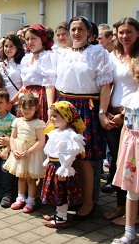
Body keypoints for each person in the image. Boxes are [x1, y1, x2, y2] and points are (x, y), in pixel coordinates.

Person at [54, 16, 113, 220]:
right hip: (65, 106)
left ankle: (88, 202)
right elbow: (56, 83)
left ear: (89, 32)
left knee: (85, 157)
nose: (76, 33)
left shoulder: (98, 52)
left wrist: (101, 112)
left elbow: (105, 84)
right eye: (73, 29)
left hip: (86, 106)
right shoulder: (62, 53)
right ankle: (70, 199)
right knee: (65, 155)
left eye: (80, 29)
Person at [105, 17, 139, 226]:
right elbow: (107, 85)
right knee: (118, 165)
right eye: (121, 32)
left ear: (137, 33)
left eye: (129, 32)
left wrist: (123, 115)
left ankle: (133, 214)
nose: (124, 36)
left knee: (133, 166)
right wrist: (104, 112)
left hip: (132, 118)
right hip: (112, 115)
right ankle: (121, 207)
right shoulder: (113, 56)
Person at [41, 101, 86, 228]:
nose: (52, 119)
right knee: (55, 192)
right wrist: (48, 160)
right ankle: (58, 214)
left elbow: (69, 153)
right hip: (53, 166)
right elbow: (51, 148)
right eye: (51, 116)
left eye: (55, 116)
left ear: (66, 117)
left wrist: (64, 167)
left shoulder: (69, 135)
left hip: (60, 168)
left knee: (61, 193)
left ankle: (61, 218)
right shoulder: (56, 131)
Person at [3, 93, 46, 213]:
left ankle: (31, 200)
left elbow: (41, 140)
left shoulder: (38, 123)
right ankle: (20, 197)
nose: (27, 111)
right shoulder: (17, 121)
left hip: (31, 154)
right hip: (19, 152)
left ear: (36, 108)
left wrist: (30, 152)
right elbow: (12, 137)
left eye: (30, 108)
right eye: (24, 108)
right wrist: (13, 149)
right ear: (19, 108)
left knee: (30, 178)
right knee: (21, 177)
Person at [112, 58, 139, 244]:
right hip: (132, 150)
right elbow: (125, 128)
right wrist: (121, 152)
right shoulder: (130, 99)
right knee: (131, 192)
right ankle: (129, 232)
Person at [19, 24, 56, 123]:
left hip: (40, 98)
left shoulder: (47, 56)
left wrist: (50, 108)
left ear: (42, 39)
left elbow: (50, 85)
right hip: (26, 97)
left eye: (33, 38)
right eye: (27, 39)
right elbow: (24, 85)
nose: (30, 42)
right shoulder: (26, 58)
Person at [0, 35, 24, 106]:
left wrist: (12, 102)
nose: (8, 49)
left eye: (11, 46)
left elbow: (24, 86)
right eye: (6, 46)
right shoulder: (0, 65)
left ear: (17, 47)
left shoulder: (22, 64)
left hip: (18, 103)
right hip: (2, 103)